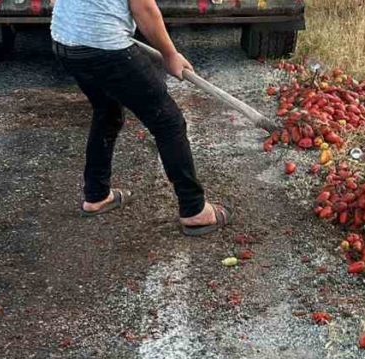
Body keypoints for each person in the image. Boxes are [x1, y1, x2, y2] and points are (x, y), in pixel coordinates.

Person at [50, 0, 230, 236]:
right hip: (104, 46)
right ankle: (194, 209)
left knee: (106, 112)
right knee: (168, 122)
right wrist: (170, 54)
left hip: (66, 43)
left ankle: (96, 195)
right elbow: (143, 7)